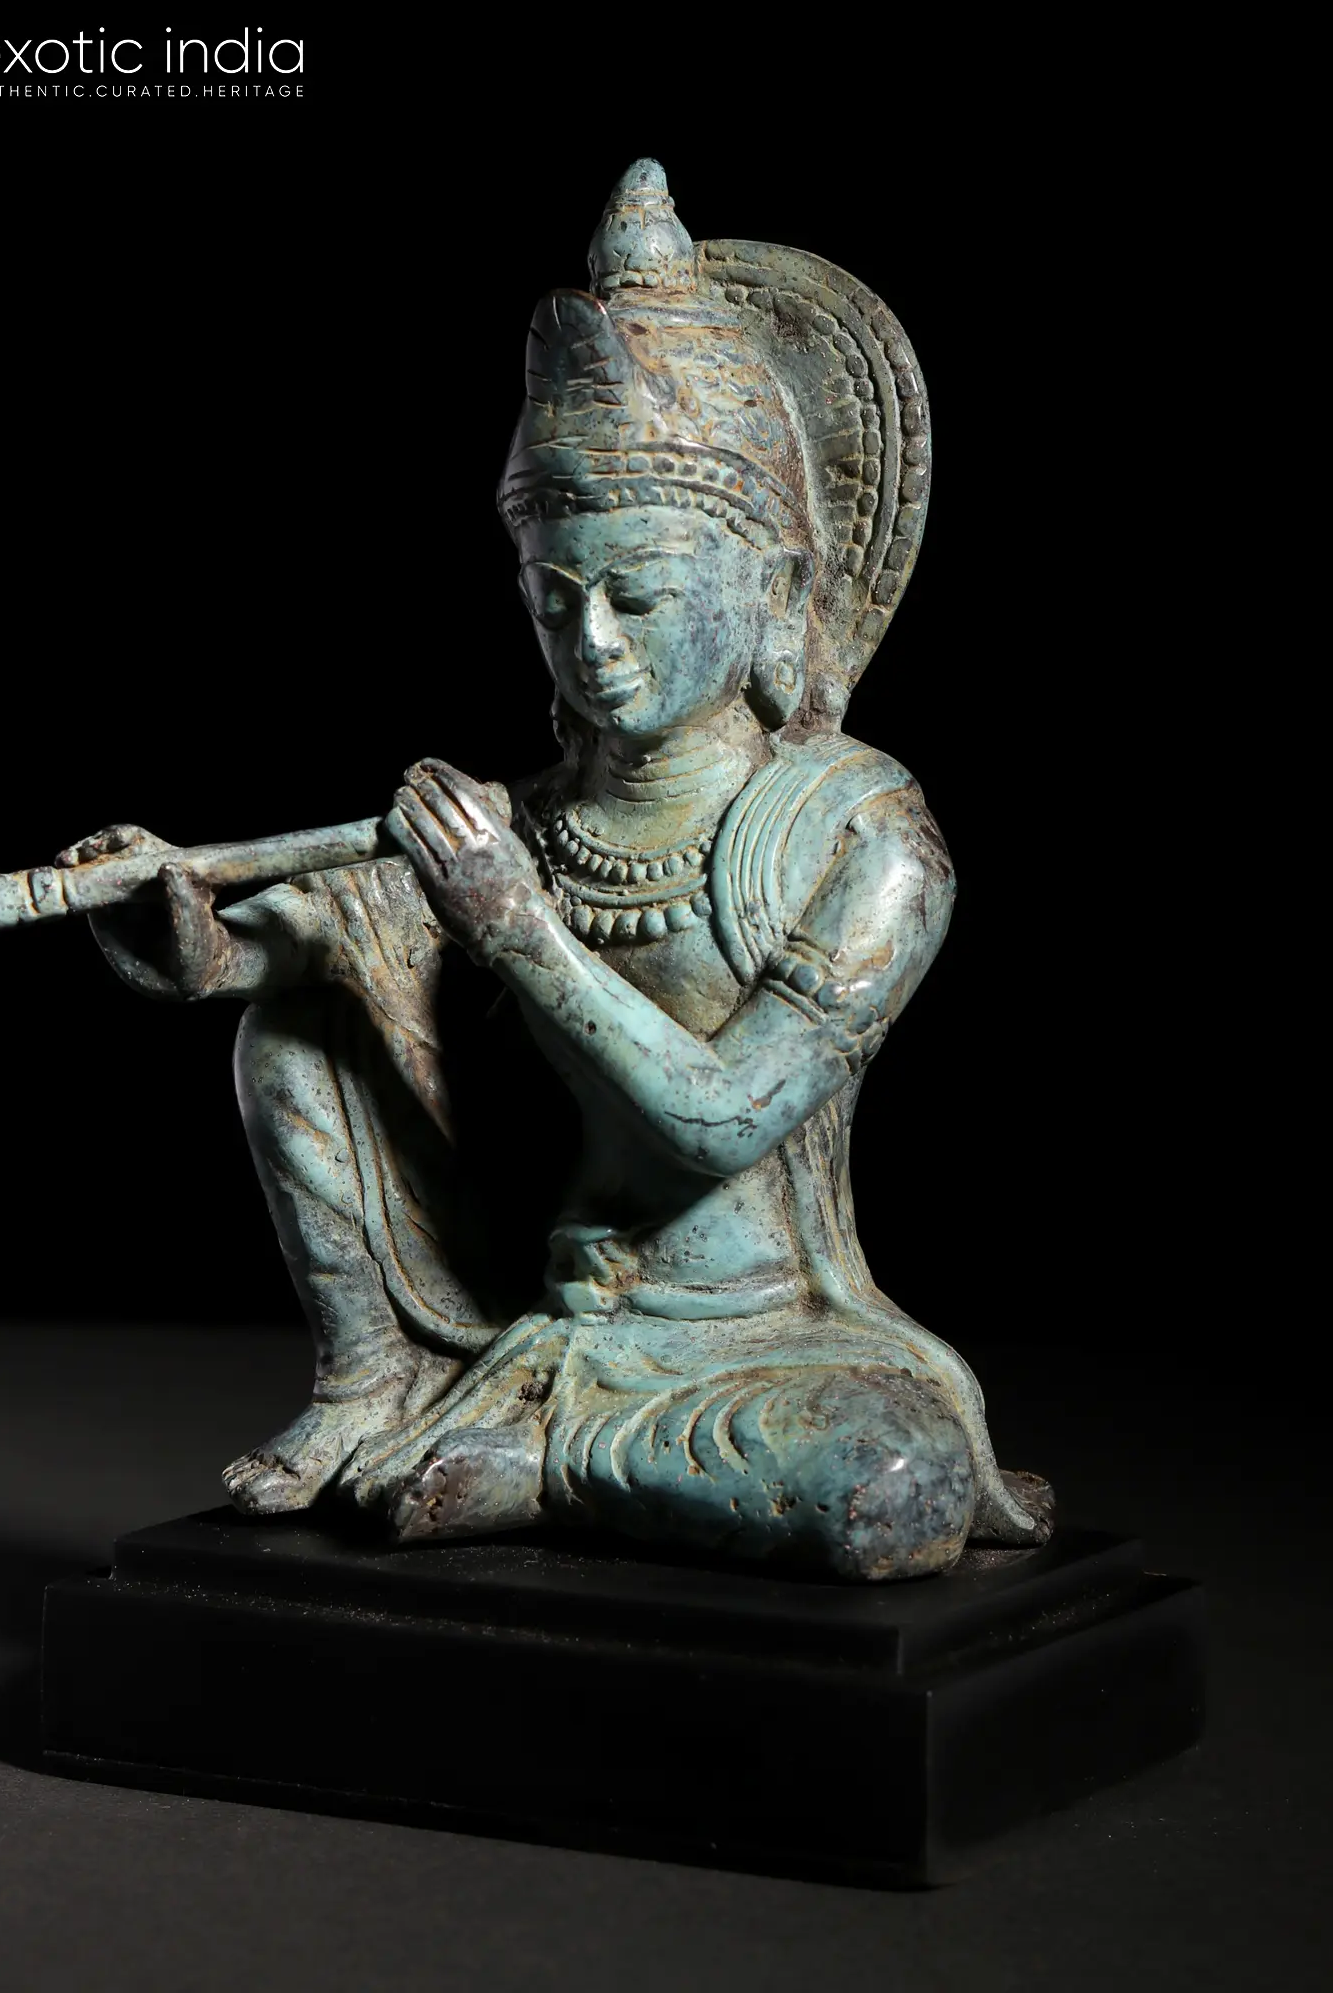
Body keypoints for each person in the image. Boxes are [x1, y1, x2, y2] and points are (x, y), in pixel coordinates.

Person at [63, 162, 1050, 1577]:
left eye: (639, 594)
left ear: (775, 590)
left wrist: (521, 930)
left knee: (892, 1489)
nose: (595, 642)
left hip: (759, 1339)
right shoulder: (531, 818)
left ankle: (533, 1464)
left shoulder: (864, 836)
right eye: (554, 597)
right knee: (299, 1029)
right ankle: (376, 1386)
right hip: (539, 1310)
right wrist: (199, 937)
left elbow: (723, 1121)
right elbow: (345, 935)